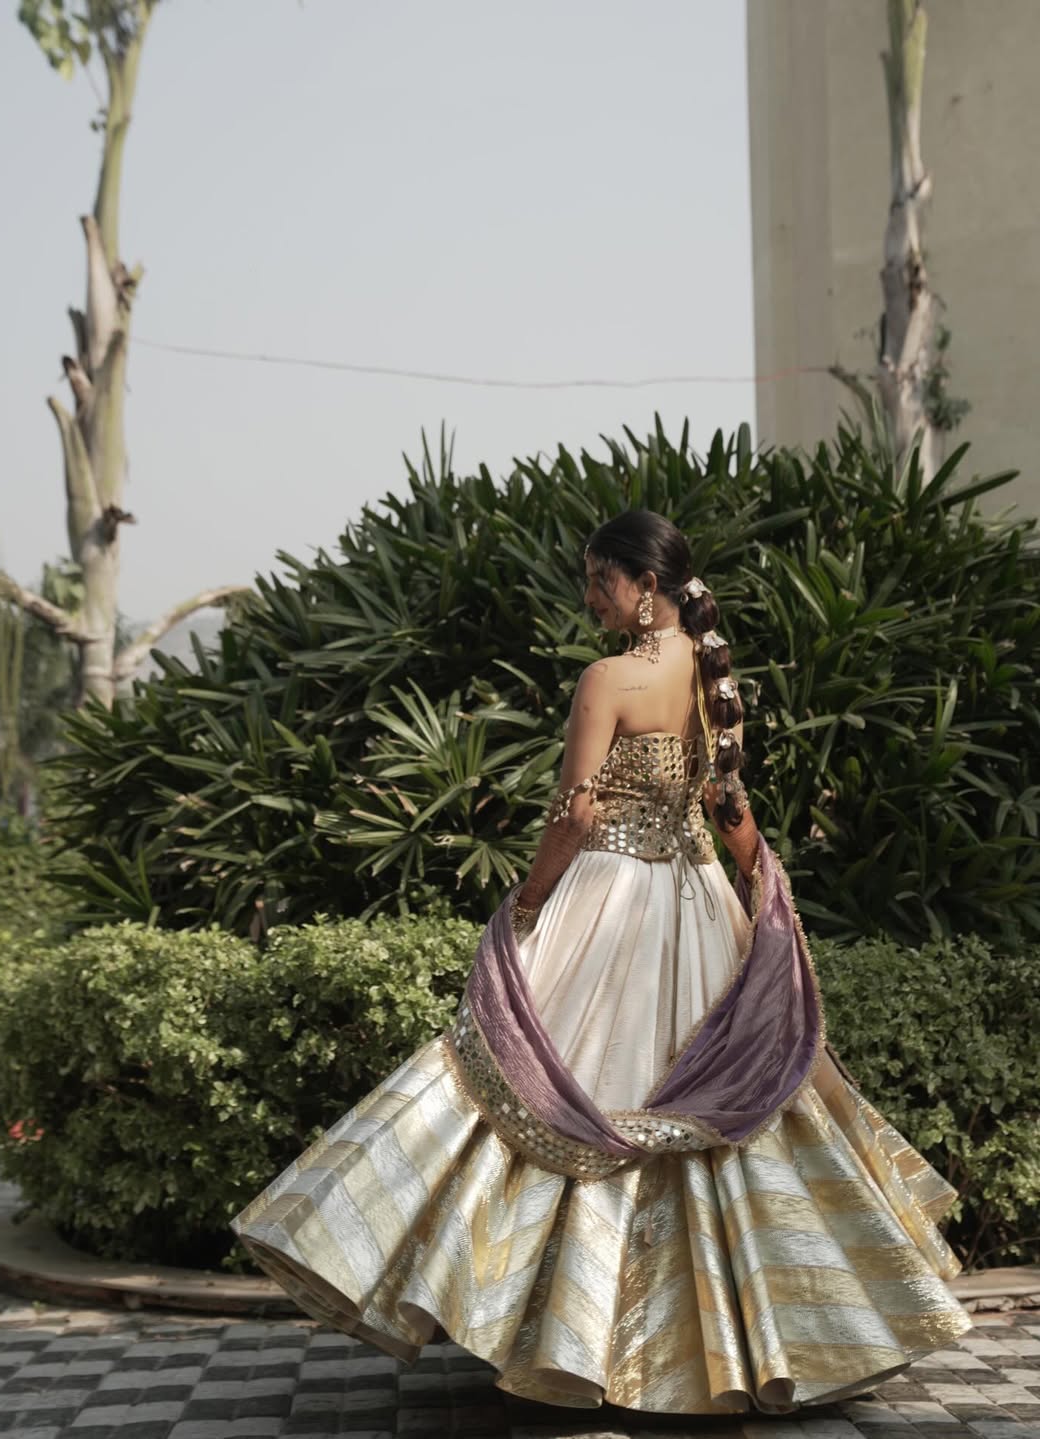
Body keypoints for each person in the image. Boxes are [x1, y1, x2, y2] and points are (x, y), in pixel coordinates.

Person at [233, 509, 971, 1415]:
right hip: (697, 898)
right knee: (730, 1105)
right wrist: (760, 886)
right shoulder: (708, 678)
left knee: (515, 1081)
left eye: (599, 580)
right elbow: (726, 803)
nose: (590, 598)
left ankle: (579, 1339)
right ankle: (743, 1343)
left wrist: (532, 899)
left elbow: (575, 816)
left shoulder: (606, 679)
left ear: (644, 585)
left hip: (607, 897)